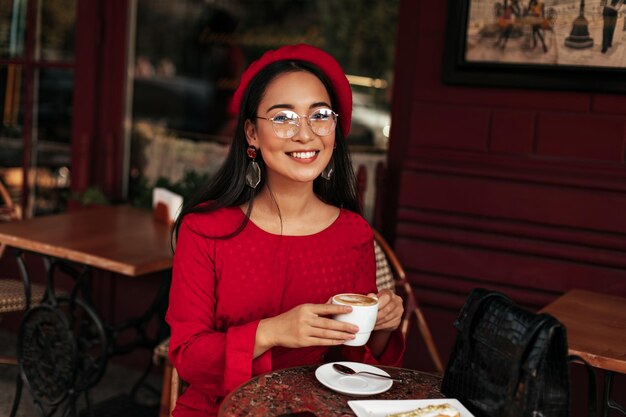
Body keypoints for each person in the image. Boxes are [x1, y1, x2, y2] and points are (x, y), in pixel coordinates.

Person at [166, 44, 405, 417]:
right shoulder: (205, 230)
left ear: (335, 130)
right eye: (283, 118)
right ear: (251, 133)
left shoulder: (353, 233)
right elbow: (188, 358)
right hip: (220, 408)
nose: (305, 134)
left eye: (319, 115)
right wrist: (273, 332)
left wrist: (383, 326)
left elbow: (353, 361)